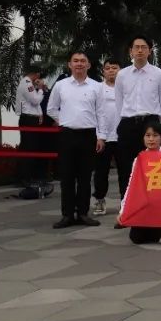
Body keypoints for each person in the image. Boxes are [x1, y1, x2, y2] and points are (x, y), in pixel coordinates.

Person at [47, 51, 108, 228]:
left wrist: (101, 136)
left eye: (83, 61)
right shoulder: (61, 85)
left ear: (88, 65)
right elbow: (51, 109)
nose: (79, 64)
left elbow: (101, 113)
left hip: (88, 135)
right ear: (69, 64)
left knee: (84, 176)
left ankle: (82, 213)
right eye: (76, 61)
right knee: (66, 177)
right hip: (67, 135)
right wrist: (64, 119)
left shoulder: (96, 86)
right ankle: (67, 215)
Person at [112, 35, 161, 216]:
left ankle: (151, 210)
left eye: (143, 47)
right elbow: (119, 102)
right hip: (128, 123)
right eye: (136, 47)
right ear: (130, 51)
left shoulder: (159, 74)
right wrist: (126, 120)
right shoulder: (122, 75)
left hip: (150, 124)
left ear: (150, 50)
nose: (139, 50)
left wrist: (154, 124)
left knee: (151, 169)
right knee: (126, 169)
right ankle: (126, 210)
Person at [126, 119, 161, 245]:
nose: (151, 139)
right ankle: (155, 232)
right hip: (146, 201)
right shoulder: (139, 158)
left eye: (155, 135)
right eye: (148, 135)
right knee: (135, 238)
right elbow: (131, 185)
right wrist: (123, 211)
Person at [92, 58, 121, 216]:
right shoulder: (97, 88)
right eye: (108, 68)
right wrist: (99, 136)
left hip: (122, 137)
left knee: (125, 171)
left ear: (120, 70)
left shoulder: (125, 88)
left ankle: (125, 202)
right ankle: (100, 199)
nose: (111, 71)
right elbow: (95, 113)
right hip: (102, 137)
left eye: (114, 67)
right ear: (103, 71)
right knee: (101, 171)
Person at [15, 64, 46, 186]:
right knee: (28, 148)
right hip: (28, 119)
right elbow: (36, 100)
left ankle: (27, 176)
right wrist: (41, 89)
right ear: (37, 74)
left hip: (31, 118)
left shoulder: (28, 83)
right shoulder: (27, 83)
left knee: (30, 147)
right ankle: (24, 177)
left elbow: (34, 105)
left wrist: (40, 114)